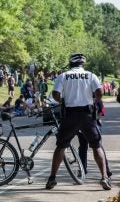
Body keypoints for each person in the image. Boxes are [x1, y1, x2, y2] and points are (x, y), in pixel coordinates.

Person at [46, 53, 111, 190]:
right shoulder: (91, 75)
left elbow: (55, 94)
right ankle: (104, 177)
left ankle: (52, 178)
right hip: (87, 115)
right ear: (83, 64)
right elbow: (99, 93)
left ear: (70, 63)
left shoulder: (63, 76)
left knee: (61, 146)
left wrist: (62, 101)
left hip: (70, 115)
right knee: (96, 146)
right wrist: (93, 101)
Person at [77, 100, 112, 178]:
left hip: (94, 125)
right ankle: (82, 169)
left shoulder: (96, 97)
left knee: (98, 146)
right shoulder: (80, 98)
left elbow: (101, 112)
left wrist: (94, 121)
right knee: (83, 147)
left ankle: (106, 169)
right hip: (81, 125)